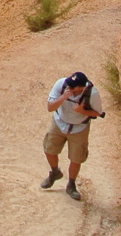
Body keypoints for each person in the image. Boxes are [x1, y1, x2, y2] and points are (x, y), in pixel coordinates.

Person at [42, 70, 105, 201]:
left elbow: (98, 113)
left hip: (79, 128)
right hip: (59, 123)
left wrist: (81, 110)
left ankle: (71, 184)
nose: (69, 88)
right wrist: (63, 98)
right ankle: (55, 172)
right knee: (49, 149)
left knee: (76, 158)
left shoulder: (92, 94)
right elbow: (50, 107)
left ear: (81, 88)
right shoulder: (61, 84)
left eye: (72, 88)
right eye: (69, 86)